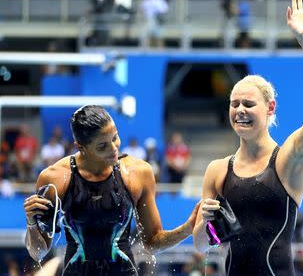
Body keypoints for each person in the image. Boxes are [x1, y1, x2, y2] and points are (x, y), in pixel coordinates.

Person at [193, 0, 303, 275]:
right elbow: (202, 245)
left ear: (270, 108)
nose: (240, 110)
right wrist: (204, 220)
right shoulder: (218, 170)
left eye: (248, 104)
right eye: (234, 104)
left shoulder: (288, 159)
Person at [23, 105, 199, 275]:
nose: (114, 149)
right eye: (102, 146)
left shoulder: (138, 173)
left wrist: (187, 228)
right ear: (81, 147)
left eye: (115, 138)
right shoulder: (54, 179)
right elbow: (38, 252)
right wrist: (32, 224)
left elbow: (152, 243)